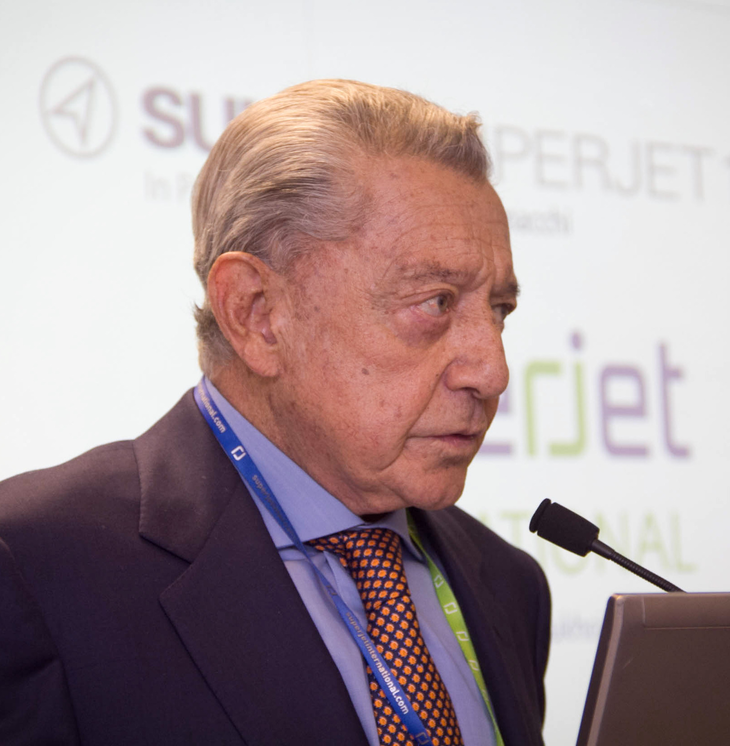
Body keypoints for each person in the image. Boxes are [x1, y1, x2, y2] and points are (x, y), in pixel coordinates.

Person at [0, 80, 549, 746]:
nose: (492, 372)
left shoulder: (510, 585)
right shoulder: (32, 567)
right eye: (435, 302)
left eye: (499, 310)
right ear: (256, 314)